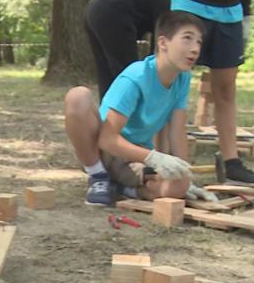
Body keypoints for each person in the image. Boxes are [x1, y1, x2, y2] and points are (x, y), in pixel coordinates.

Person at [64, 11, 217, 206]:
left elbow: (177, 131)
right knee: (78, 96)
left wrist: (184, 176)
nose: (195, 49)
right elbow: (107, 139)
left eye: (199, 42)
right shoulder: (136, 77)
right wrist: (154, 158)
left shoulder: (182, 77)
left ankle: (122, 189)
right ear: (163, 43)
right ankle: (98, 178)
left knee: (177, 186)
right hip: (104, 152)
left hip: (136, 158)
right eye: (187, 39)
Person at [154, 0, 254, 187]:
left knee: (226, 89)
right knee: (170, 84)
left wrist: (246, 14)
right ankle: (162, 161)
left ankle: (233, 165)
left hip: (230, 13)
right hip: (190, 5)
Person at [85, 0, 176, 99]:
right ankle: (129, 113)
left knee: (107, 73)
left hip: (94, 9)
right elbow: (160, 50)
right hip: (113, 13)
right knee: (128, 74)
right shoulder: (166, 3)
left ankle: (107, 113)